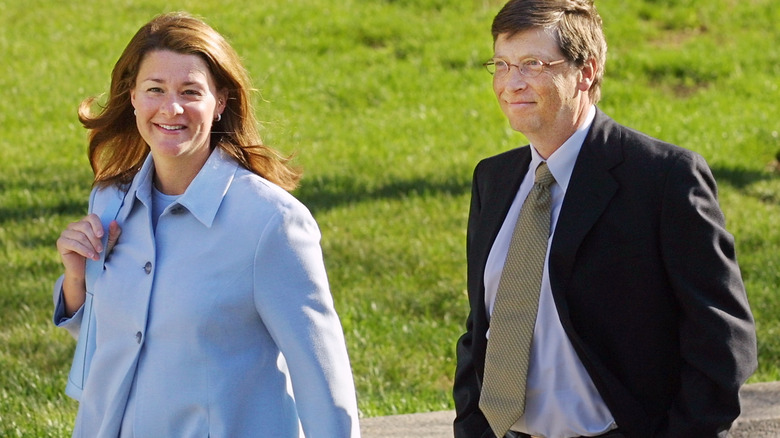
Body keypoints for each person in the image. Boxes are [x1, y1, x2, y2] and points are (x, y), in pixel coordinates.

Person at [453, 1, 758, 437]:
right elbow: (481, 327)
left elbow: (722, 339)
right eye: (501, 65)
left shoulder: (662, 178)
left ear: (586, 70)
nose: (511, 83)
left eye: (532, 64)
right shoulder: (494, 179)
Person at [53, 12, 360, 437]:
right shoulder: (109, 201)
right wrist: (75, 279)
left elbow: (323, 383)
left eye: (190, 91)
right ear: (134, 97)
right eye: (155, 89)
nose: (171, 107)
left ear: (220, 103)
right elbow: (117, 342)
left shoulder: (272, 223)